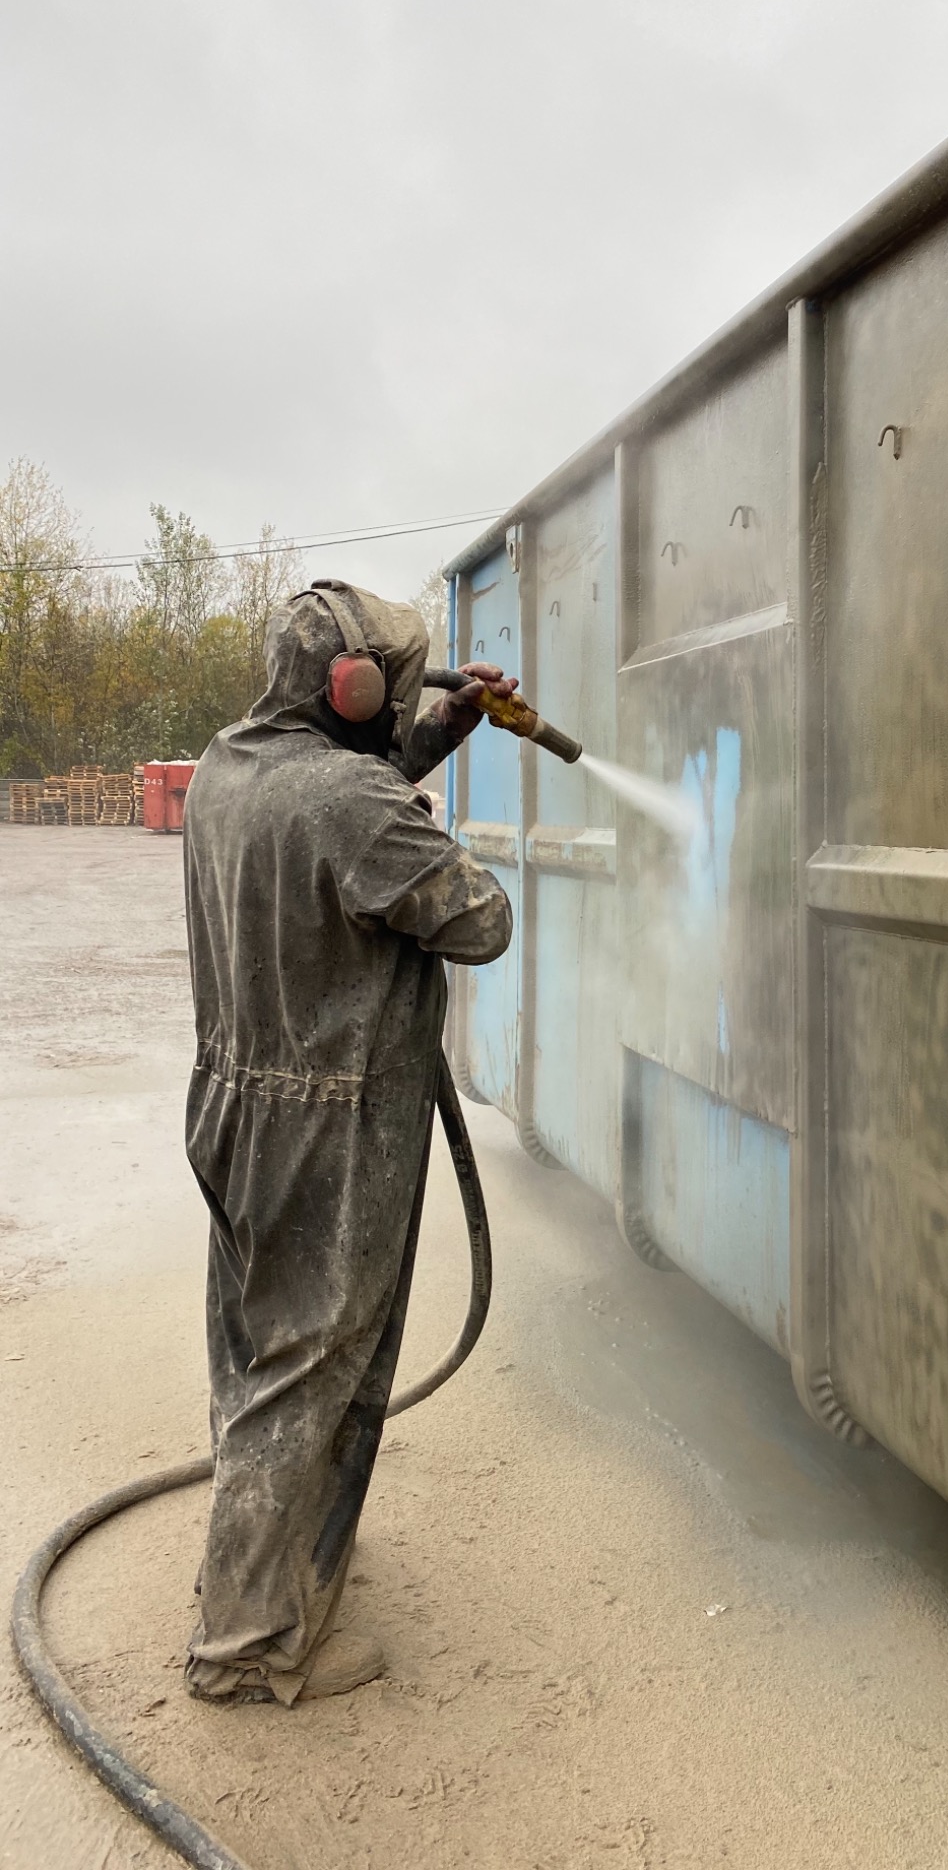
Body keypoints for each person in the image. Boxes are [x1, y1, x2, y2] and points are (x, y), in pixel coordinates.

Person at [180, 578, 514, 1705]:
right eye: (394, 686)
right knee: (317, 1360)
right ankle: (247, 1643)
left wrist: (437, 733)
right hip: (331, 1120)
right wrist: (413, 794)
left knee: (259, 1346)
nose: (403, 697)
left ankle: (265, 1567)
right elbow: (481, 920)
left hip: (234, 1104)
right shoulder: (356, 805)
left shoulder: (230, 764)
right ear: (351, 687)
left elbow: (331, 803)